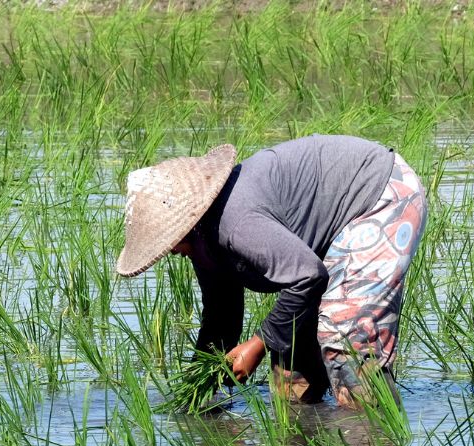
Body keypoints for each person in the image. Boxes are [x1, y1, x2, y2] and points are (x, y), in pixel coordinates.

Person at [115, 134, 428, 408]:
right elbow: (221, 316)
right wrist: (201, 387)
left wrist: (258, 344)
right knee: (290, 364)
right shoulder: (203, 239)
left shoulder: (236, 222)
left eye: (168, 241)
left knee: (344, 338)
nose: (169, 250)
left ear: (188, 223)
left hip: (379, 195)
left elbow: (307, 276)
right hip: (329, 234)